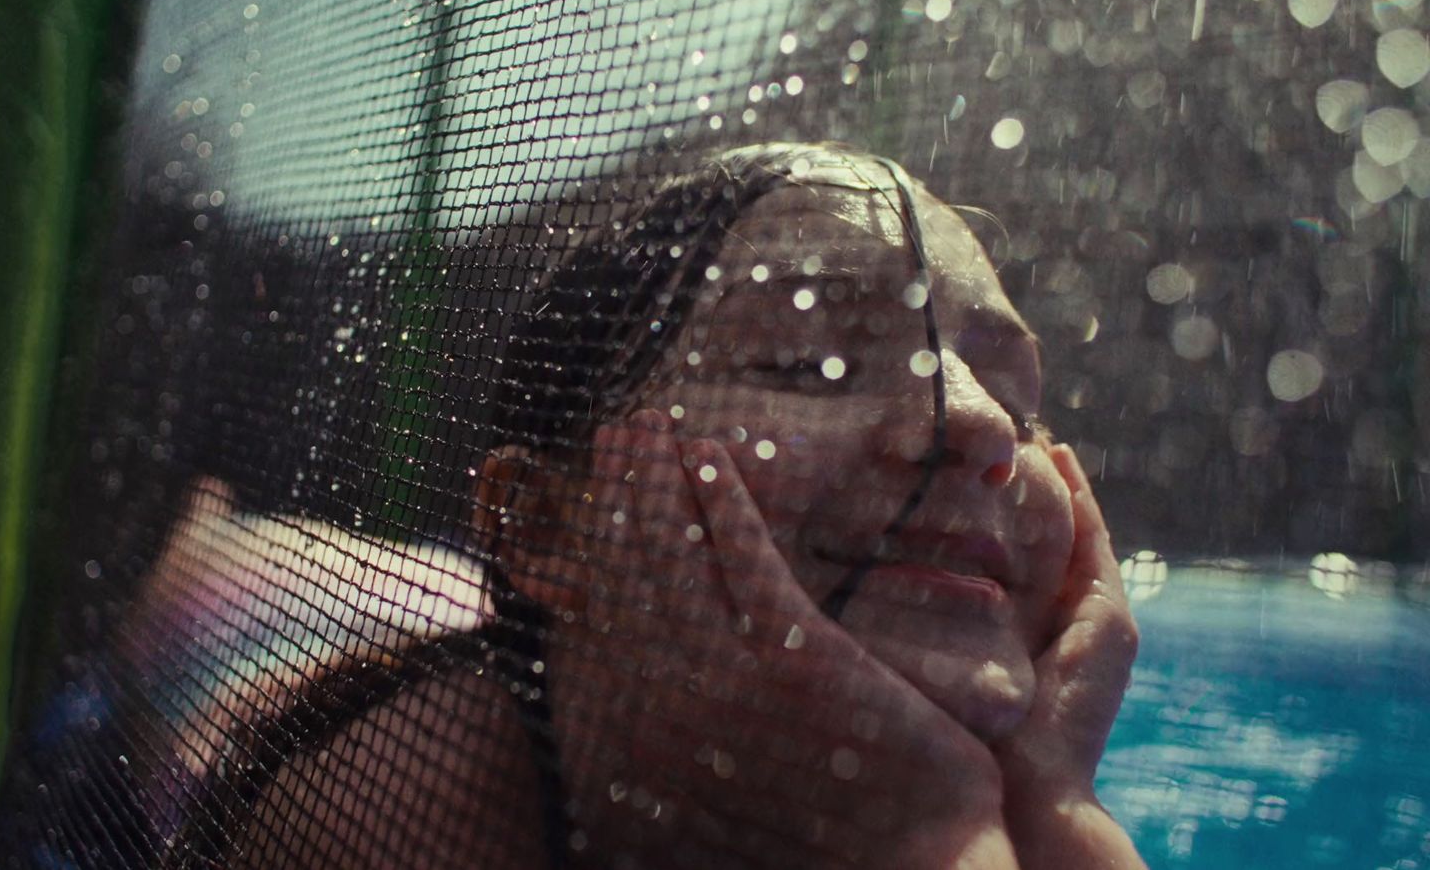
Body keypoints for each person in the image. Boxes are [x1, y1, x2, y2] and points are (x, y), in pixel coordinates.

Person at [191, 142, 1144, 870]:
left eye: (1018, 400)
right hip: (240, 651)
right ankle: (203, 534)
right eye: (813, 363)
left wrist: (1054, 800)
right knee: (213, 575)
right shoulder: (388, 814)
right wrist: (935, 832)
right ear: (546, 523)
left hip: (444, 609)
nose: (977, 423)